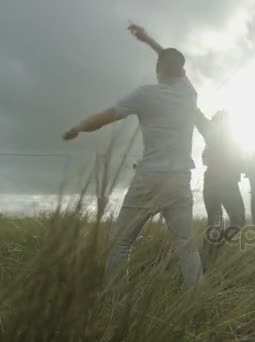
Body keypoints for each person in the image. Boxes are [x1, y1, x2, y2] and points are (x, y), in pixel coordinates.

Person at [62, 25, 204, 295]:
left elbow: (107, 116)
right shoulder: (189, 94)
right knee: (186, 245)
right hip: (180, 179)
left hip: (149, 178)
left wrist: (79, 127)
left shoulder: (145, 94)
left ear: (158, 69)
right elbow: (171, 61)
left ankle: (117, 305)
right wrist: (150, 40)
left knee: (121, 243)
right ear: (183, 72)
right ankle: (197, 301)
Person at [200, 110, 246, 236]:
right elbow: (240, 163)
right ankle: (217, 245)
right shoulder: (230, 141)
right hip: (227, 182)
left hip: (211, 180)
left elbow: (205, 160)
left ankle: (212, 249)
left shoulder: (210, 143)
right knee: (238, 220)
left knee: (214, 222)